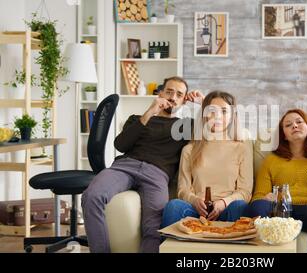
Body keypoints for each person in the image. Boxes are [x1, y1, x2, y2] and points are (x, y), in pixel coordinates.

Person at [81, 76, 204, 253]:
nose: (173, 97)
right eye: (169, 92)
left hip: (157, 174)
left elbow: (219, 127)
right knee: (92, 196)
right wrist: (150, 112)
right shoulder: (137, 119)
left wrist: (203, 102)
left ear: (184, 101)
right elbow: (120, 145)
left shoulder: (185, 126)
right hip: (124, 167)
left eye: (179, 94)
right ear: (160, 93)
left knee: (153, 227)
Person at [245, 109, 307, 253]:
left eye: (299, 122)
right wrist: (266, 198)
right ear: (284, 135)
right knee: (257, 206)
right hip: (279, 212)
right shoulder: (272, 160)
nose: (294, 126)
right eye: (288, 125)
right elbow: (258, 196)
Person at [161, 91, 253, 227]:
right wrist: (194, 200)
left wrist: (223, 203)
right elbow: (182, 189)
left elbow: (245, 192)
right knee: (174, 205)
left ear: (232, 115)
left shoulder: (242, 148)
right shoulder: (190, 150)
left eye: (223, 111)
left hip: (228, 208)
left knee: (239, 206)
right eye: (211, 111)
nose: (217, 117)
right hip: (197, 210)